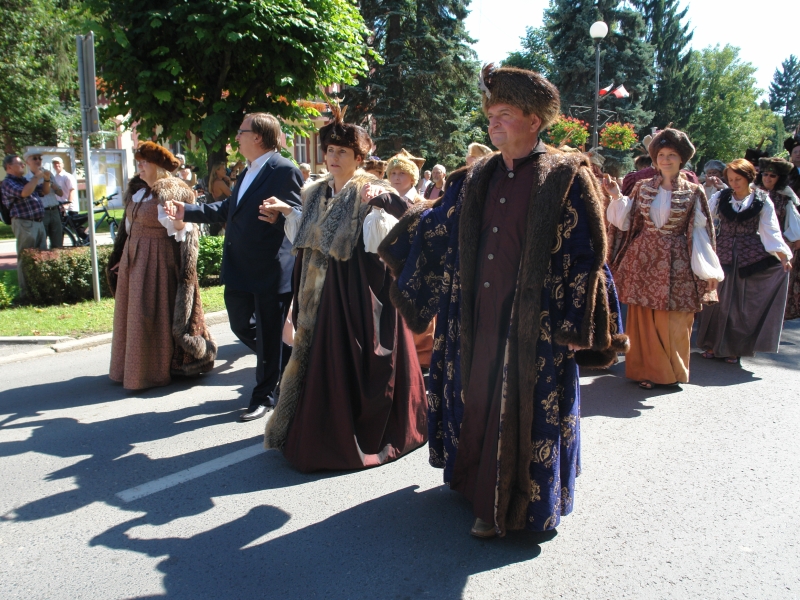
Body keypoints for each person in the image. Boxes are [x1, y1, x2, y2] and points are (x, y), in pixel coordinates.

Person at [379, 64, 626, 538]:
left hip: (533, 322)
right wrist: (396, 215)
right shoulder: (478, 175)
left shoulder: (566, 176)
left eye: (505, 113)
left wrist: (577, 323)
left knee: (518, 409)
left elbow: (587, 252)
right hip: (475, 314)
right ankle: (475, 487)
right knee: (475, 399)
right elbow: (439, 225)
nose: (493, 122)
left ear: (535, 120)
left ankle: (507, 511)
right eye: (490, 113)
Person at [258, 105, 427, 473]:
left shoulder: (370, 188)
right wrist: (287, 213)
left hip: (352, 294)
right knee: (312, 359)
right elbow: (309, 235)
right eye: (330, 151)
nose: (334, 158)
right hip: (315, 287)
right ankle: (308, 428)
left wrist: (379, 210)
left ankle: (341, 437)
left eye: (343, 153)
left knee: (347, 363)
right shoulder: (315, 191)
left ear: (359, 157)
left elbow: (388, 238)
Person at [164, 113, 303, 422]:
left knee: (268, 334)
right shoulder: (249, 170)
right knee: (240, 324)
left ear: (258, 136)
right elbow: (228, 208)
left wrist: (282, 214)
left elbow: (300, 213)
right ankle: (289, 359)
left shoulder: (284, 169)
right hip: (240, 267)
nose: (236, 137)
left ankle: (263, 395)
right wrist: (186, 210)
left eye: (241, 132)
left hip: (270, 268)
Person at [605, 128, 723, 389]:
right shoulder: (642, 187)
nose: (666, 159)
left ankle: (671, 372)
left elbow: (700, 231)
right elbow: (626, 221)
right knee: (643, 317)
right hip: (644, 259)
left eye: (671, 155)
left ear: (682, 159)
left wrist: (710, 271)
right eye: (661, 155)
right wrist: (616, 196)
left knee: (676, 320)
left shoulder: (694, 191)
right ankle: (647, 371)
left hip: (678, 261)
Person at [108, 143, 216, 390]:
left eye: (144, 163)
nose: (140, 168)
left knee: (149, 313)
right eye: (139, 163)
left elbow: (184, 230)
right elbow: (128, 227)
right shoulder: (139, 191)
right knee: (132, 312)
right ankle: (129, 368)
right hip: (133, 260)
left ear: (158, 166)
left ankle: (152, 371)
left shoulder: (172, 191)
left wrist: (178, 220)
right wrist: (121, 258)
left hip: (157, 260)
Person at [697, 159, 794, 362]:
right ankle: (713, 345)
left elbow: (771, 229)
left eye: (738, 179)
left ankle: (734, 348)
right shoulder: (720, 197)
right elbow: (705, 220)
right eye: (730, 179)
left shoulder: (761, 199)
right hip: (722, 252)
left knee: (739, 305)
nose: (734, 183)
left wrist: (783, 255)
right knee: (717, 301)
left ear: (749, 177)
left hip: (749, 255)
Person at [385, 149, 435, 368]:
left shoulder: (422, 204)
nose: (396, 177)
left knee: (417, 310)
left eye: (401, 173)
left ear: (413, 178)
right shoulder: (385, 201)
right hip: (390, 266)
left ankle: (422, 360)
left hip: (416, 265)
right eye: (393, 173)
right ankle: (400, 355)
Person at [756, 157, 800, 320]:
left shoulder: (786, 198)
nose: (767, 178)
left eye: (772, 176)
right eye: (765, 174)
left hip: (775, 248)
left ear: (779, 178)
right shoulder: (752, 193)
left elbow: (795, 231)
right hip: (752, 246)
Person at [1, 154, 47, 299]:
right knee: (26, 257)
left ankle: (40, 290)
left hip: (38, 222)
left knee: (41, 257)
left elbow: (44, 191)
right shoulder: (8, 183)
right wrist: (36, 177)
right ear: (9, 167)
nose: (23, 166)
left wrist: (46, 178)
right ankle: (26, 293)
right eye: (20, 164)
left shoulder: (24, 180)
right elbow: (24, 192)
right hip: (24, 223)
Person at [25, 151, 63, 249]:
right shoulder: (27, 179)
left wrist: (54, 186)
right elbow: (41, 193)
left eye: (40, 158)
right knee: (41, 245)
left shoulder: (49, 174)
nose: (38, 160)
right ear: (27, 162)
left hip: (54, 210)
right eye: (34, 158)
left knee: (58, 244)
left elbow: (61, 193)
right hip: (41, 213)